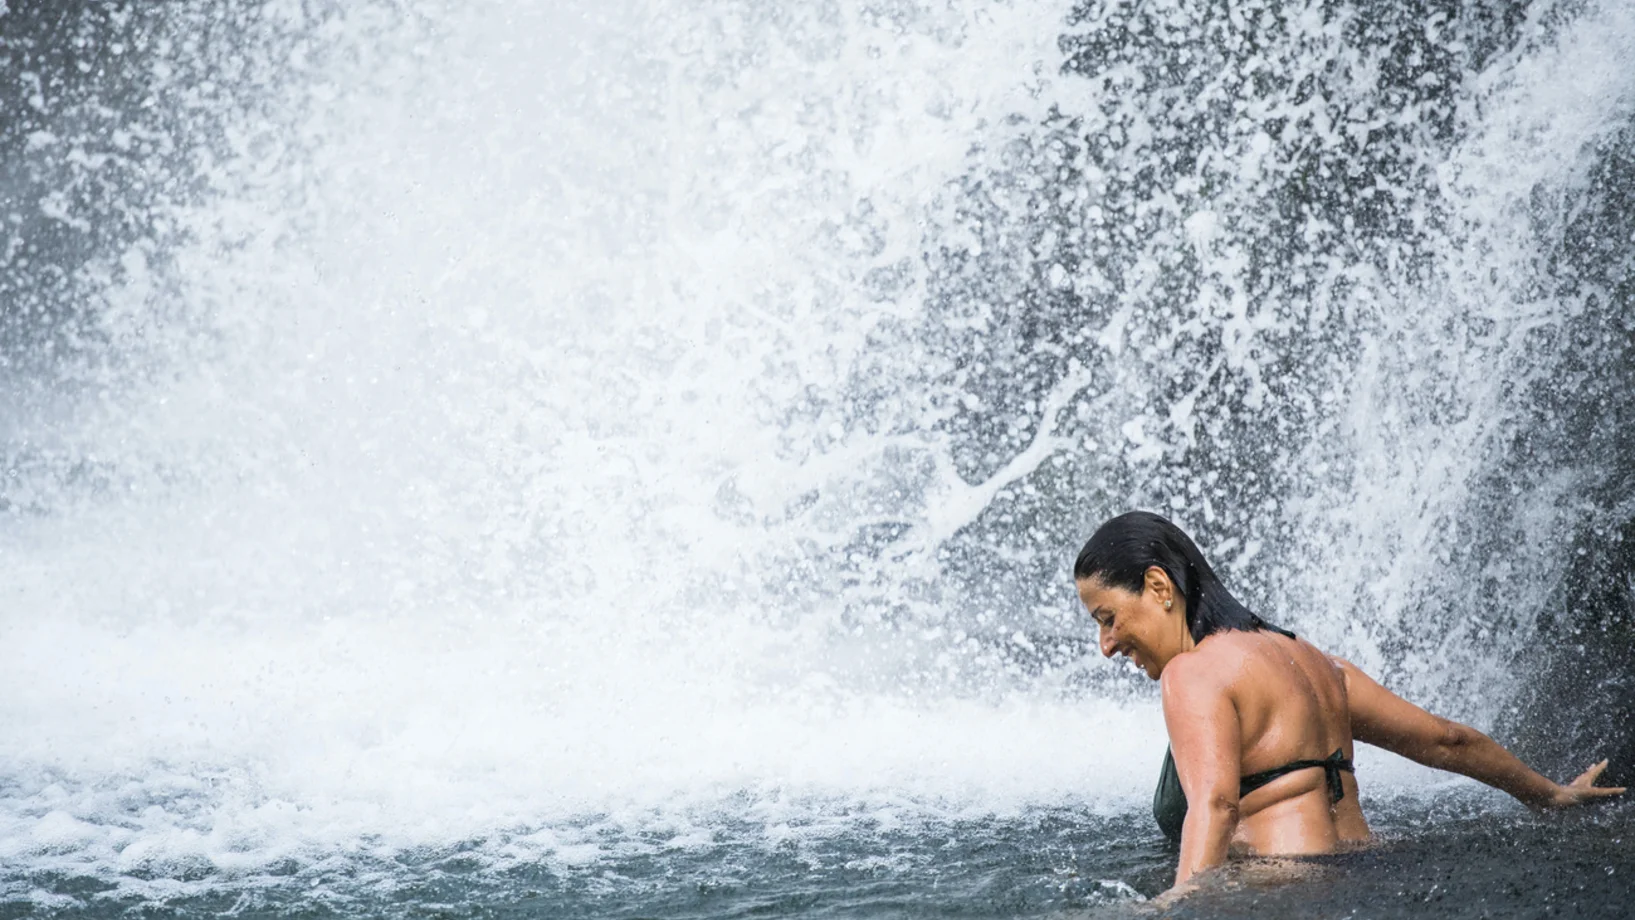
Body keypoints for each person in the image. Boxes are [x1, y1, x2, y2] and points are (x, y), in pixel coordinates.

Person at [1073, 510, 1624, 898]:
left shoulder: (1191, 675)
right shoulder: (1316, 664)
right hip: (1361, 871)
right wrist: (1549, 794)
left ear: (1158, 586)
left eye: (1107, 618)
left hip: (1277, 888)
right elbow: (1445, 740)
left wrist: (1178, 906)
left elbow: (1216, 806)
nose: (1106, 645)